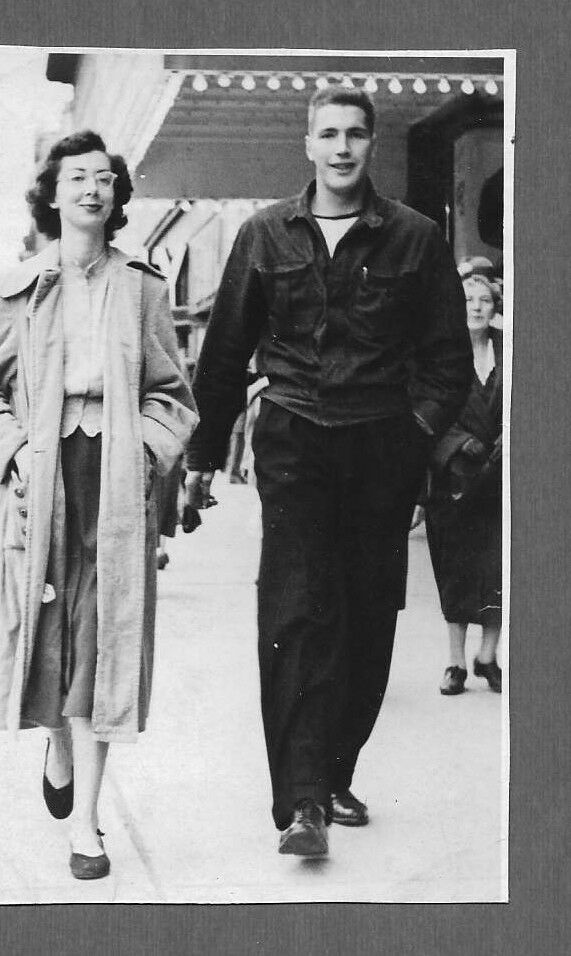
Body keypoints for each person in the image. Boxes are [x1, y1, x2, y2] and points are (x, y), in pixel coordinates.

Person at [184, 86, 472, 857]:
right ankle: (302, 802)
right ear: (306, 145)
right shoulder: (263, 235)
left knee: (367, 616)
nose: (341, 148)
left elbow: (450, 366)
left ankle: (335, 769)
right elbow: (221, 359)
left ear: (370, 145)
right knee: (296, 615)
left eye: (354, 135)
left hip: (380, 444)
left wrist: (411, 436)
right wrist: (203, 459)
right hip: (294, 441)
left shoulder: (413, 239)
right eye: (328, 134)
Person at [0, 131, 197, 880]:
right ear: (52, 196)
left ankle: (86, 825)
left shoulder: (144, 288)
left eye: (104, 179)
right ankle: (56, 743)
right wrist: (13, 456)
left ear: (118, 196)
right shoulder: (14, 289)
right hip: (42, 475)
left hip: (116, 481)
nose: (91, 189)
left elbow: (173, 398)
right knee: (49, 633)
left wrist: (148, 452)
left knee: (102, 641)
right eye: (77, 178)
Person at [422, 271, 503, 695]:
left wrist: (509, 437)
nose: (475, 307)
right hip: (453, 481)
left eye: (484, 301)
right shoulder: (438, 355)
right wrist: (459, 443)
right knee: (454, 570)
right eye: (468, 299)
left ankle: (488, 656)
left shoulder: (510, 352)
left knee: (497, 568)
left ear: (495, 307)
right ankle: (455, 663)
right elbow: (422, 409)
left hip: (500, 479)